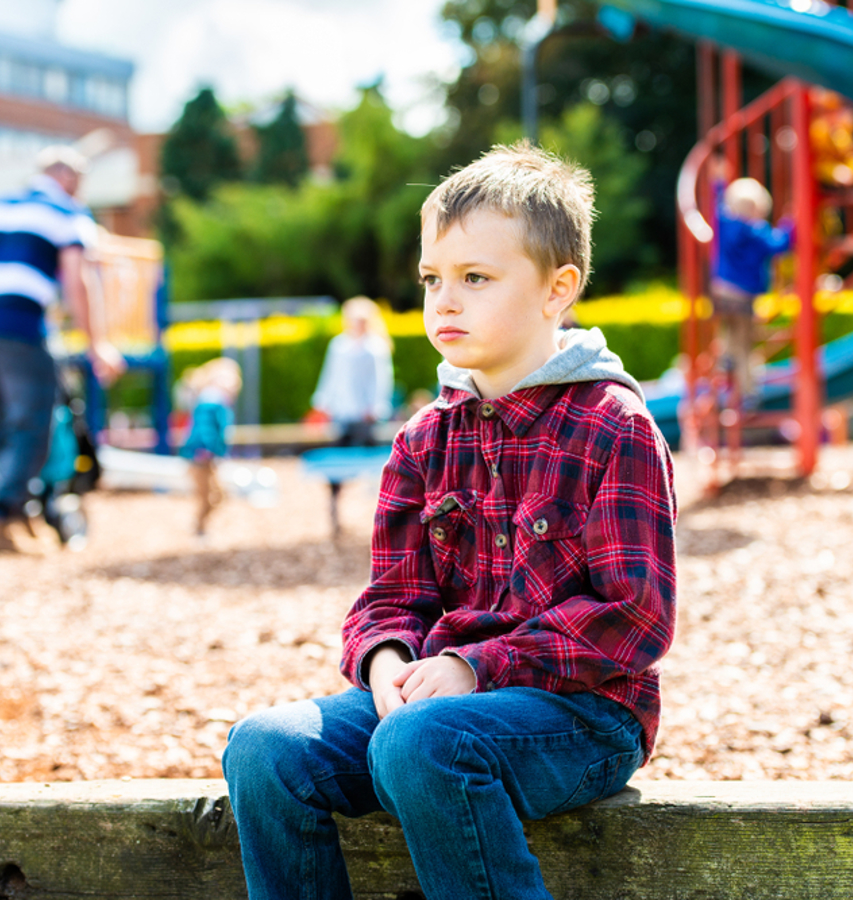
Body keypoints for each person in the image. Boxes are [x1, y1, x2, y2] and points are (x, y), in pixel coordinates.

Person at [222, 141, 677, 900]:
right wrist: (385, 664)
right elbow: (391, 599)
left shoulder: (613, 425)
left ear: (556, 290)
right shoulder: (423, 438)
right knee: (264, 749)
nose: (446, 301)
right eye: (433, 278)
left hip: (585, 715)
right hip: (433, 711)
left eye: (476, 278)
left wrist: (477, 666)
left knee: (420, 743)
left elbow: (634, 617)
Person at [0, 144, 124, 551]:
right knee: (33, 420)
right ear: (68, 179)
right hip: (17, 325)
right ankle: (5, 514)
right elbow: (77, 280)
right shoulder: (67, 213)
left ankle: (12, 512)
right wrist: (97, 344)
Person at [710, 165, 793, 400]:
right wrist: (792, 222)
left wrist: (717, 184)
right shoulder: (756, 231)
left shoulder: (723, 222)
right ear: (757, 209)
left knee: (728, 335)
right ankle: (748, 392)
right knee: (745, 345)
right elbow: (780, 244)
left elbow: (715, 203)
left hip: (721, 291)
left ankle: (724, 371)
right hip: (744, 296)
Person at [311, 295, 394, 447]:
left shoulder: (376, 347)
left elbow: (382, 380)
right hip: (341, 412)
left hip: (366, 414)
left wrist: (376, 407)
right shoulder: (338, 345)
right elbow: (330, 375)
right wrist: (323, 403)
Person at [178, 356, 242, 535]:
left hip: (206, 454)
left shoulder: (213, 399)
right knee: (209, 495)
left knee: (215, 495)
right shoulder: (212, 400)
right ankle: (199, 529)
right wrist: (206, 448)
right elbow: (204, 427)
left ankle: (202, 528)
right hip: (202, 454)